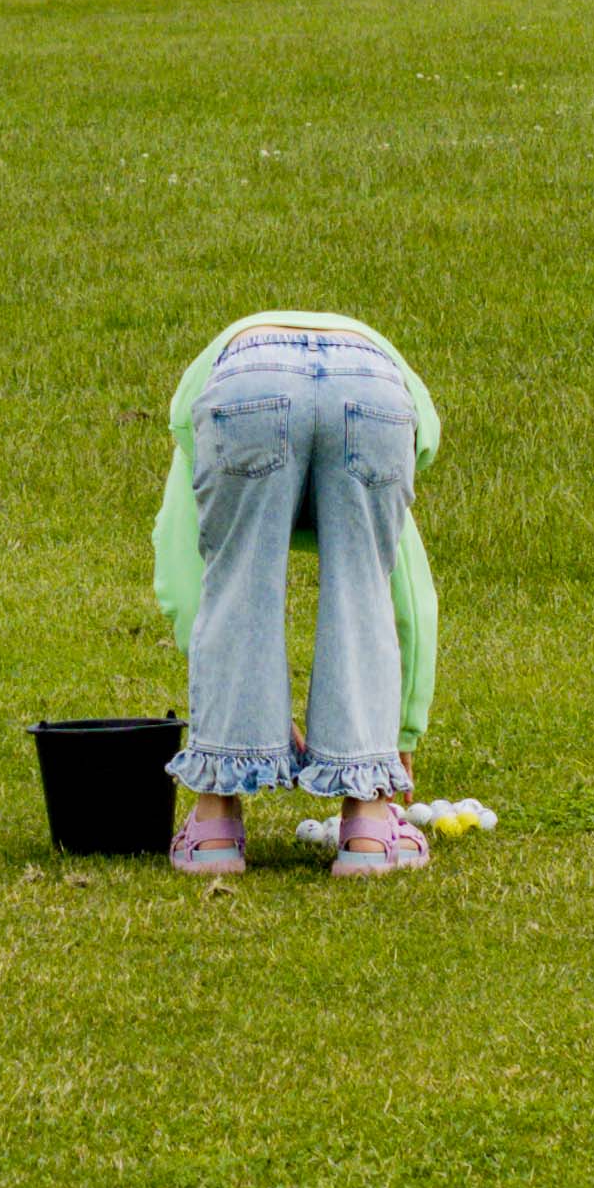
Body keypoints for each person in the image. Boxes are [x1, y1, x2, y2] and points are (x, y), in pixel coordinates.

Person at [152, 314, 442, 878]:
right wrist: (397, 734)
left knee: (232, 582)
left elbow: (191, 590)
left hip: (247, 387)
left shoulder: (199, 413)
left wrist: (239, 697)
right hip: (373, 392)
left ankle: (213, 834)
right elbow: (408, 599)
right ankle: (370, 828)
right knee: (365, 585)